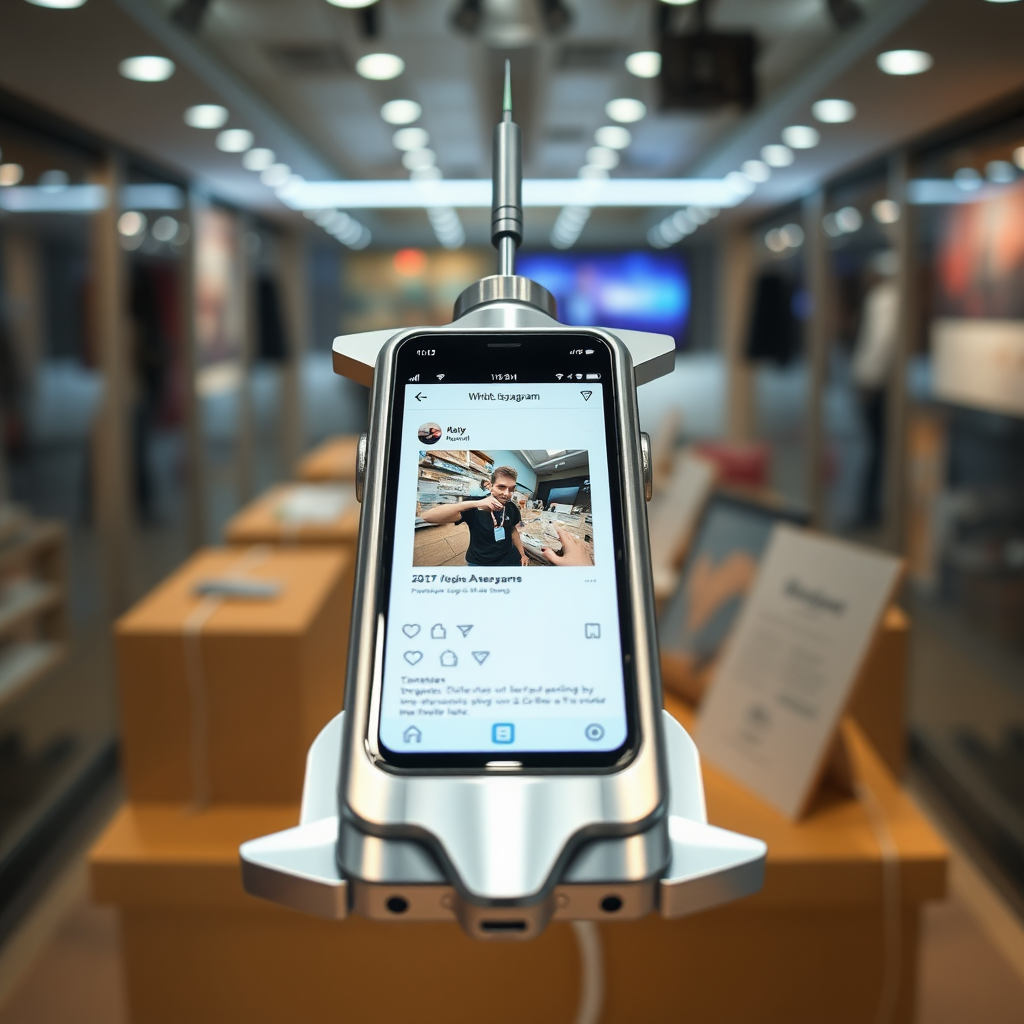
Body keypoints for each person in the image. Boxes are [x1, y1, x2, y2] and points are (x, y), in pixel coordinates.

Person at [419, 465, 529, 567]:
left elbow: (513, 531)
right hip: (481, 562)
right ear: (490, 486)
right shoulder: (474, 505)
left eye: (511, 489)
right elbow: (428, 516)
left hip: (508, 557)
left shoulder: (511, 507)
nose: (506, 494)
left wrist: (522, 554)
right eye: (501, 487)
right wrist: (476, 503)